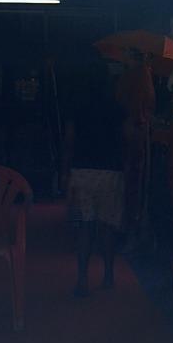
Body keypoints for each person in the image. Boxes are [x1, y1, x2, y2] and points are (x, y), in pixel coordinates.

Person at [61, 50, 129, 296]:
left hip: (82, 171)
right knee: (107, 226)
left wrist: (64, 171)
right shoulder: (116, 106)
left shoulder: (76, 104)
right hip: (111, 171)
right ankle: (109, 275)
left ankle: (81, 279)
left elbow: (69, 140)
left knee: (84, 227)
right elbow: (124, 139)